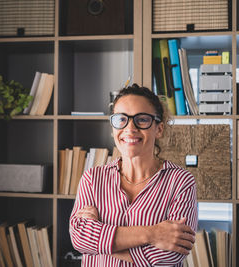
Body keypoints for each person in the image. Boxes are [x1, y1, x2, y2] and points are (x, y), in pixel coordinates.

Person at [69, 84, 197, 266]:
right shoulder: (93, 178)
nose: (130, 128)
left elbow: (171, 254)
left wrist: (99, 242)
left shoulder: (181, 181)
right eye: (121, 119)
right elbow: (79, 238)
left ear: (159, 129)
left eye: (142, 119)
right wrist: (153, 234)